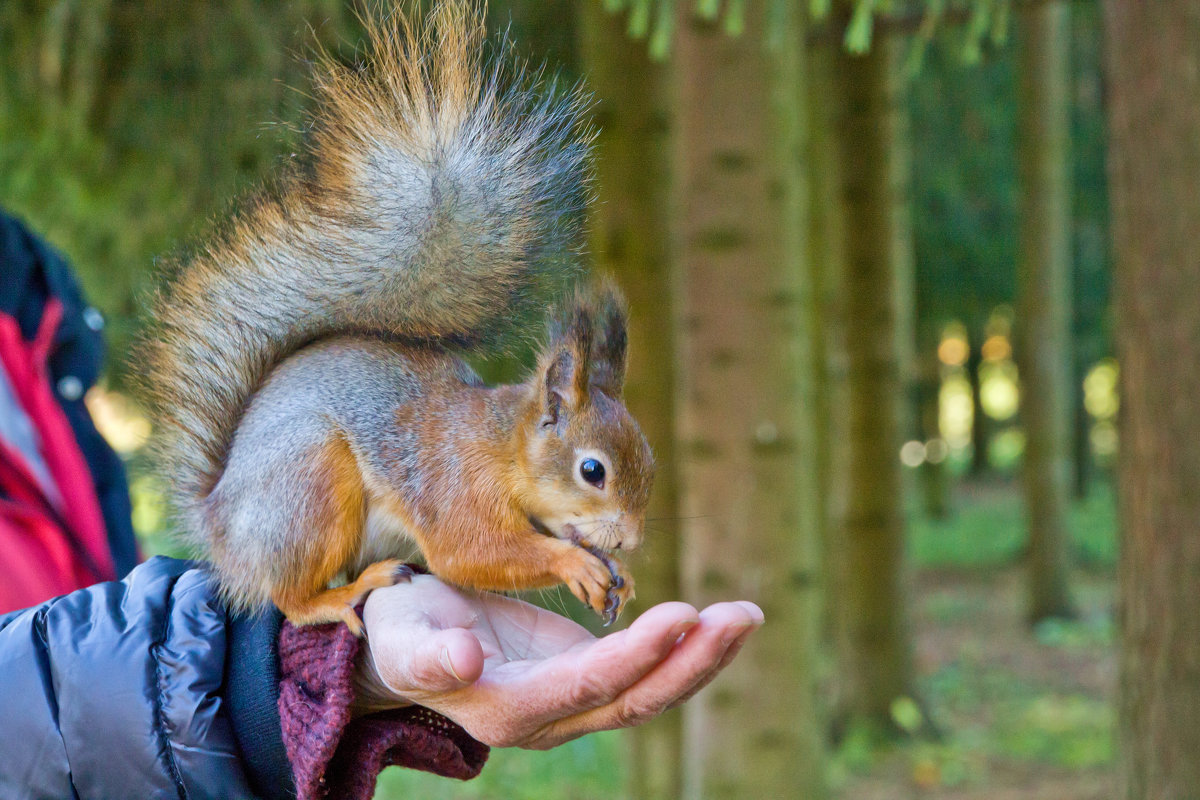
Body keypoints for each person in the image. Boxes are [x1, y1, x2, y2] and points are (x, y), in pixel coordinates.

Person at [0, 212, 764, 799]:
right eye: (596, 480)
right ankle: (309, 595)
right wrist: (563, 557)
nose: (620, 533)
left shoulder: (498, 455)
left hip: (126, 684)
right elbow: (465, 555)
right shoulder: (475, 454)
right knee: (330, 470)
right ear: (550, 411)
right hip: (276, 508)